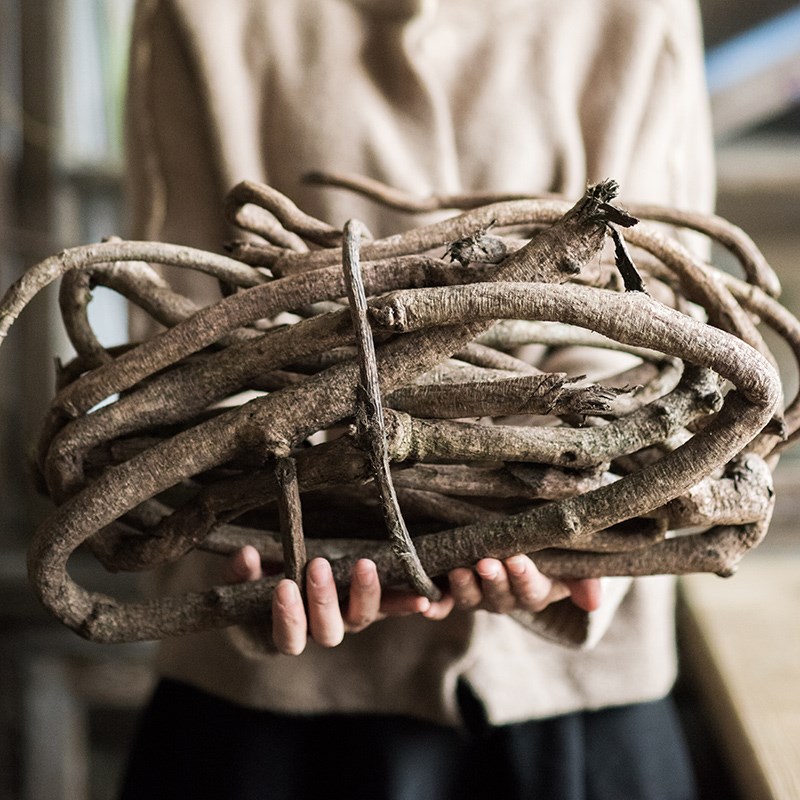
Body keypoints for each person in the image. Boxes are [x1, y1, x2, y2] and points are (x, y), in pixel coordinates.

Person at [120, 1, 714, 797]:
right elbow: (187, 358)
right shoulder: (198, 14)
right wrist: (259, 554)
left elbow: (657, 331)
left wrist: (568, 533)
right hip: (273, 719)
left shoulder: (637, 12)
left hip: (574, 707)